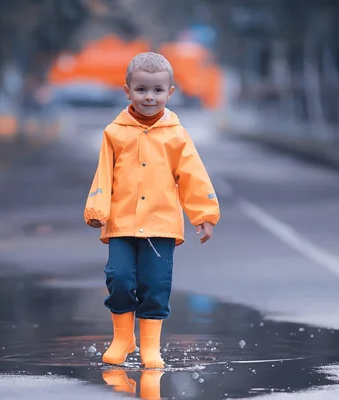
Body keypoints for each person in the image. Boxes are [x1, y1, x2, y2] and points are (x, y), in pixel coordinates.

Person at [84, 51, 220, 369]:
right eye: (141, 89)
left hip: (160, 226)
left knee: (155, 286)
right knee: (118, 279)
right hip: (121, 224)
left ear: (170, 92)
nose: (149, 97)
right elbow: (103, 173)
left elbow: (193, 176)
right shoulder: (114, 133)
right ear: (127, 90)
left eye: (157, 90)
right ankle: (122, 338)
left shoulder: (176, 135)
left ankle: (150, 346)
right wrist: (97, 209)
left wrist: (204, 215)